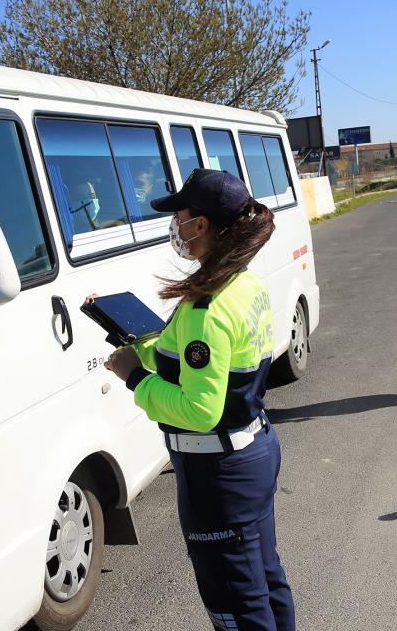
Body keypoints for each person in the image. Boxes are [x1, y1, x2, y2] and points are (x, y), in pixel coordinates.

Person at [102, 168, 295, 631]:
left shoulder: (205, 308)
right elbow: (206, 362)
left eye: (181, 216)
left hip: (218, 474)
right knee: (264, 583)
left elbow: (199, 409)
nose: (176, 226)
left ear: (202, 224)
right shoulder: (241, 283)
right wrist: (146, 346)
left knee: (235, 603)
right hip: (252, 452)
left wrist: (134, 379)